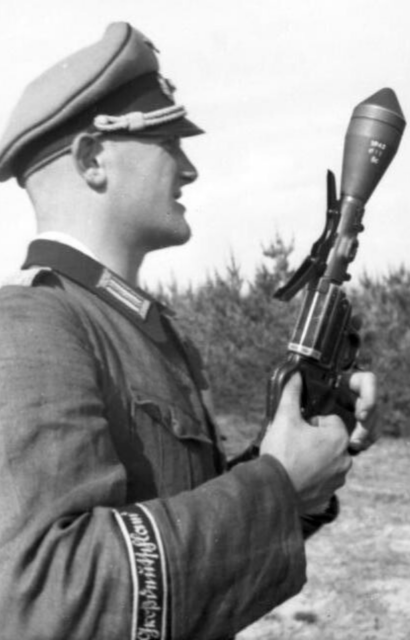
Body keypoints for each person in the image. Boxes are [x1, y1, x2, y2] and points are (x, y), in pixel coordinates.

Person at [0, 22, 377, 640]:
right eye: (167, 142)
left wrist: (304, 455)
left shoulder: (142, 330)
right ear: (92, 160)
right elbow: (46, 601)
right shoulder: (30, 324)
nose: (190, 168)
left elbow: (194, 548)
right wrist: (276, 485)